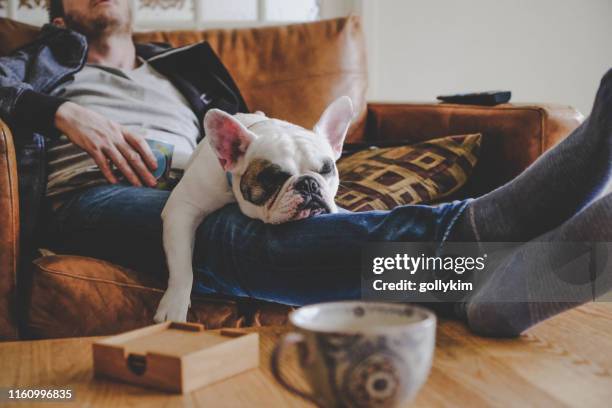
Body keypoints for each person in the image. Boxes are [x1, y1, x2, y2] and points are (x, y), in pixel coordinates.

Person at [1, 0, 610, 338]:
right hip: (93, 195)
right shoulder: (37, 64)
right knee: (233, 237)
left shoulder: (180, 68)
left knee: (280, 222)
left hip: (186, 174)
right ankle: (483, 238)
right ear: (58, 20)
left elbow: (244, 155)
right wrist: (63, 112)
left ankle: (493, 283)